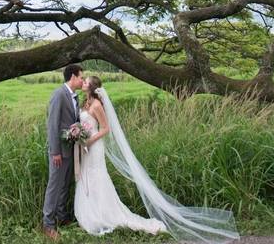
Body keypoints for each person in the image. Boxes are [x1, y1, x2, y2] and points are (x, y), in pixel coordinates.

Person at [73, 75, 240, 243]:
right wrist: (78, 134)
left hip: (94, 147)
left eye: (86, 81)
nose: (83, 83)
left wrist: (89, 140)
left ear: (93, 87)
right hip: (85, 146)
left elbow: (106, 129)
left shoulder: (96, 105)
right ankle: (91, 213)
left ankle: (103, 215)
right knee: (87, 176)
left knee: (98, 177)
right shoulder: (85, 103)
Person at [42, 64, 85, 240]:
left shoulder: (74, 96)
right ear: (73, 77)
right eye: (81, 77)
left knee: (65, 185)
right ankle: (48, 224)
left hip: (70, 150)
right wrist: (55, 152)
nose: (82, 80)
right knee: (54, 186)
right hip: (59, 151)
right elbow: (52, 125)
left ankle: (62, 217)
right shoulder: (59, 94)